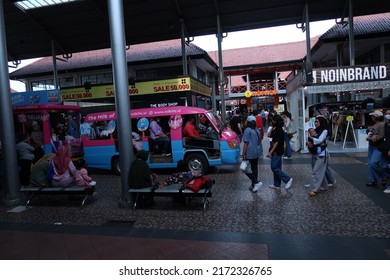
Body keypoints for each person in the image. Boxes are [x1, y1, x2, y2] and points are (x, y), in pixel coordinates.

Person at [266, 114, 293, 189]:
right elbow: (269, 135)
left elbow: (277, 142)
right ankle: (277, 184)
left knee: (274, 167)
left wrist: (271, 152)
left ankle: (287, 179)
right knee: (277, 167)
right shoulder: (276, 129)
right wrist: (273, 127)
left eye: (273, 120)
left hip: (277, 151)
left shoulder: (279, 130)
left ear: (276, 121)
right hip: (276, 150)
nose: (271, 122)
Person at [307, 116, 330, 196]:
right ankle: (324, 186)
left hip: (322, 154)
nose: (315, 123)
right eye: (315, 122)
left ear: (321, 122)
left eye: (317, 122)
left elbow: (320, 140)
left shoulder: (325, 131)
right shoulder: (316, 130)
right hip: (315, 153)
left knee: (316, 171)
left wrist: (311, 139)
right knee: (319, 171)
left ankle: (314, 189)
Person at [242, 115, 263, 193]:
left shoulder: (247, 130)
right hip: (256, 152)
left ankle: (256, 182)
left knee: (245, 169)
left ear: (248, 121)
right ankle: (254, 186)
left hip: (250, 152)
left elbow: (246, 143)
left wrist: (243, 153)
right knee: (254, 168)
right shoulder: (256, 129)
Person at [366, 110, 385, 187]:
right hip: (372, 145)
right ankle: (372, 180)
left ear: (376, 117)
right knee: (370, 163)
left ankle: (383, 176)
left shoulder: (381, 125)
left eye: (373, 116)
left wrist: (373, 137)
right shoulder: (375, 124)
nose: (372, 117)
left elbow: (381, 135)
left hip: (378, 146)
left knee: (372, 163)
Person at [379, 108, 390, 194]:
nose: (387, 115)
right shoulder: (386, 124)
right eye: (386, 114)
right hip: (385, 149)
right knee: (383, 166)